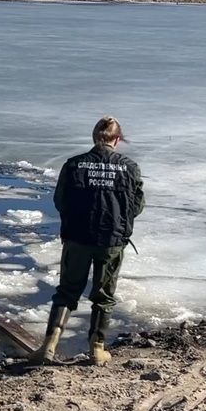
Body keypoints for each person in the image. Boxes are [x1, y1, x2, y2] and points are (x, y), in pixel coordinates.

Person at [32, 116, 145, 366]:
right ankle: (97, 349)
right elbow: (137, 205)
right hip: (112, 240)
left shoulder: (73, 165)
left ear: (95, 137)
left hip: (78, 238)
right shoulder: (129, 167)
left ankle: (48, 346)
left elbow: (60, 201)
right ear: (117, 140)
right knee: (104, 296)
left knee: (67, 292)